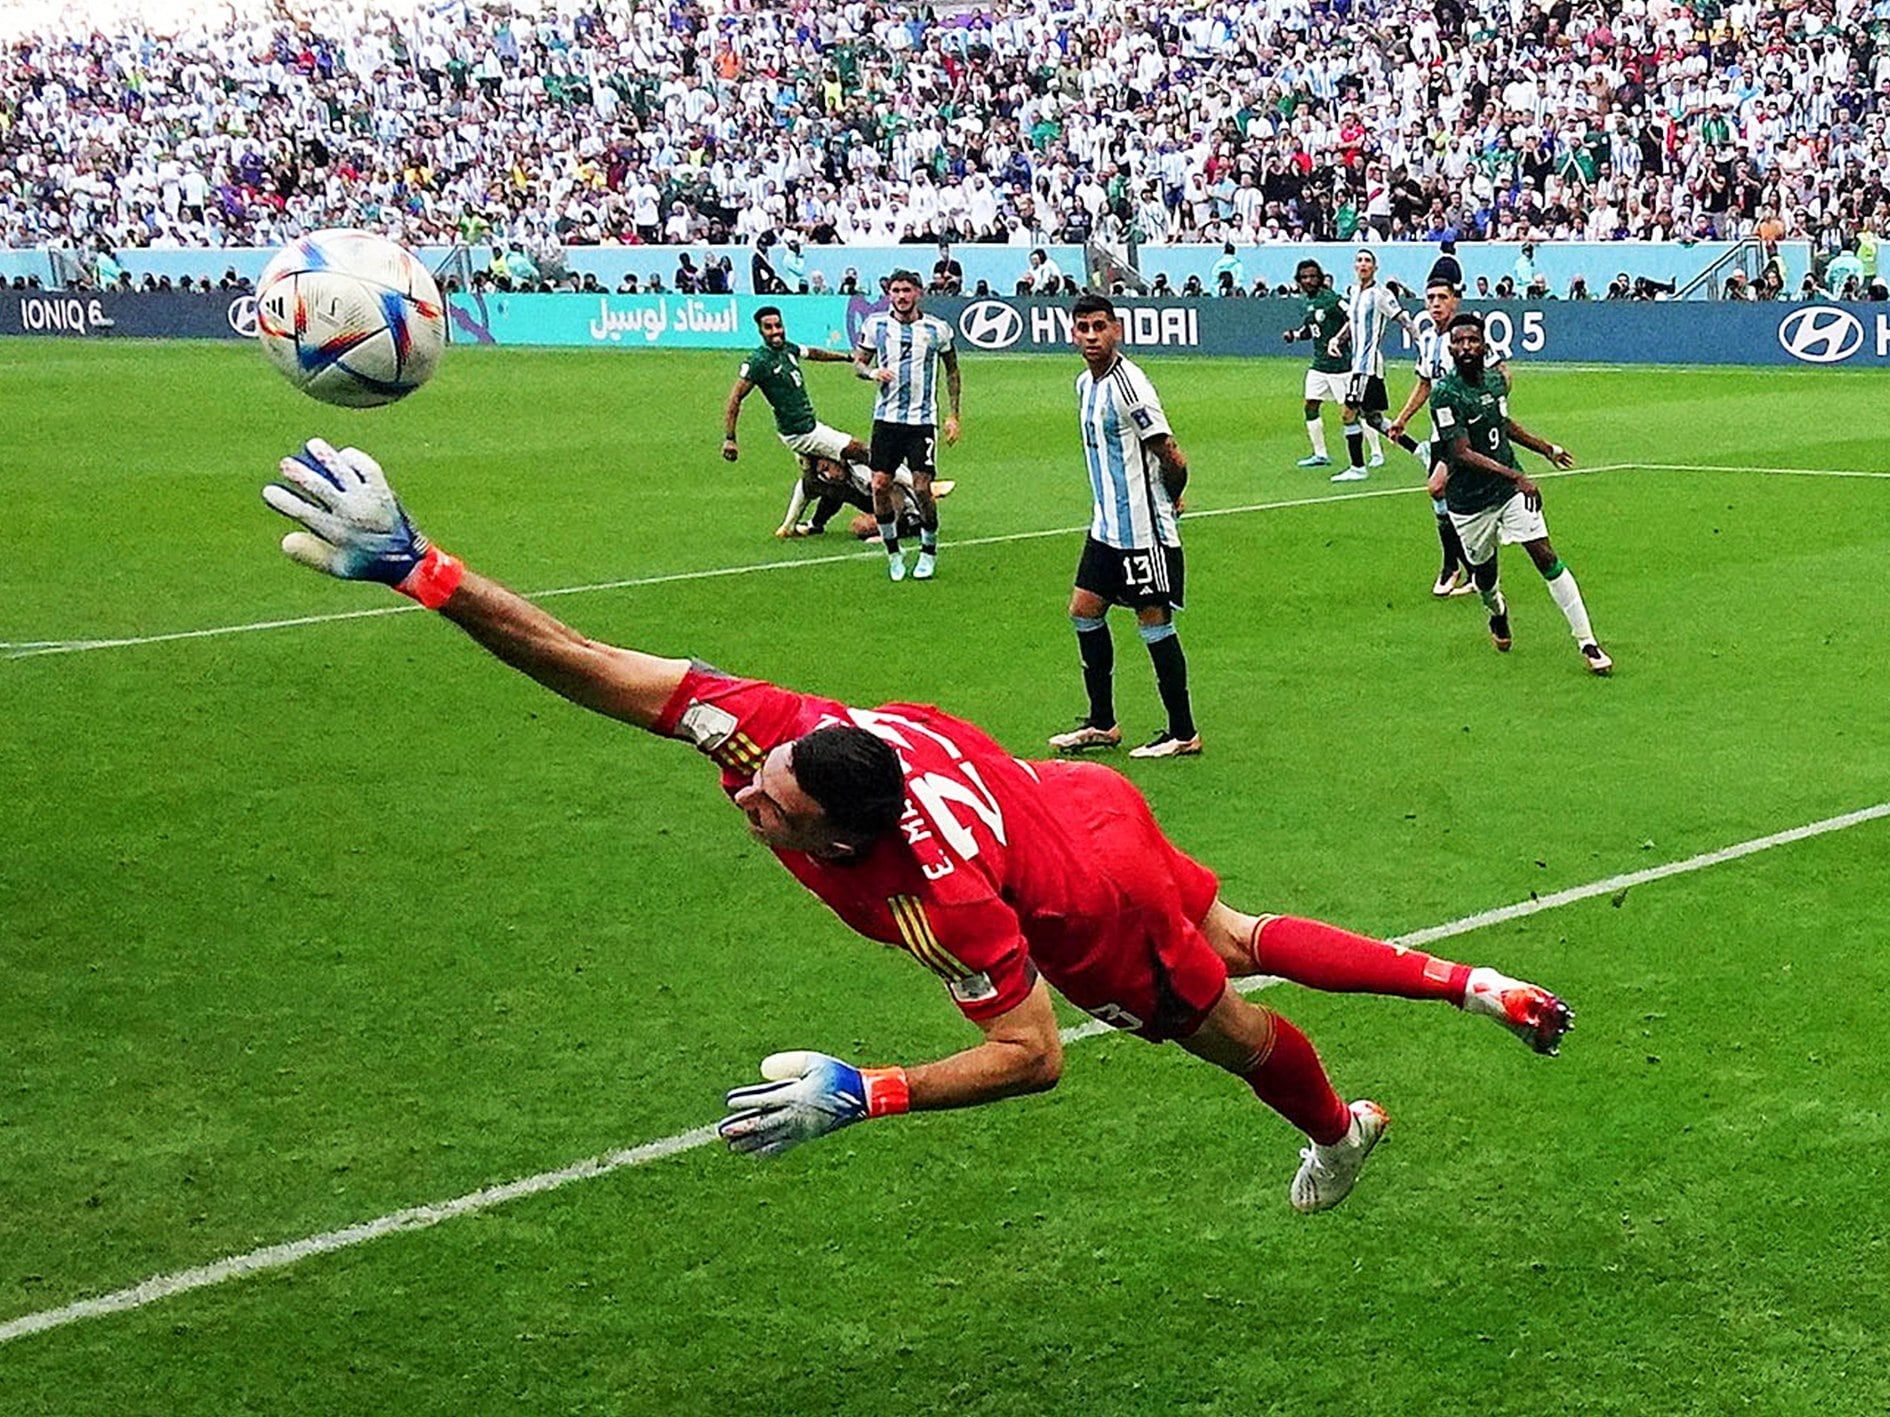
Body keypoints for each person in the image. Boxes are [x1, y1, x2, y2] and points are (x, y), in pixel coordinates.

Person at [258, 437, 1575, 1212]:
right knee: (1232, 927)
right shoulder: (775, 728)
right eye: (759, 778)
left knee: (1224, 1017)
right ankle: (1464, 986)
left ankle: (1344, 1123)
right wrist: (423, 571)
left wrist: (867, 1093)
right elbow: (591, 660)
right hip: (1072, 796)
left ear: (841, 836)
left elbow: (1030, 1050)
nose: (749, 796)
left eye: (773, 805)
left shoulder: (934, 901)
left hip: (1074, 888)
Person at [1049, 294, 1199, 760]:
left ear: (1116, 329)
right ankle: (1102, 723)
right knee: (1083, 611)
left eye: (1100, 327)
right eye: (1083, 328)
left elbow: (1170, 452)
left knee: (1153, 624)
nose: (1091, 336)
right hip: (1106, 526)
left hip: (1142, 529)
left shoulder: (1129, 386)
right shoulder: (1084, 384)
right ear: (1073, 333)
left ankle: (1183, 732)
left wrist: (1171, 497)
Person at [1428, 314, 1612, 674]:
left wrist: (1545, 449)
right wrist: (1517, 474)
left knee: (1545, 555)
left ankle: (1588, 643)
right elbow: (1460, 452)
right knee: (1484, 578)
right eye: (1459, 341)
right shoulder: (1444, 394)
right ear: (1450, 348)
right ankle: (1497, 612)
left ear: (1484, 345)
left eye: (1472, 340)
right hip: (1469, 504)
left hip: (1509, 491)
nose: (1466, 347)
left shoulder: (1496, 382)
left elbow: (1503, 424)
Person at [720, 307, 869, 537]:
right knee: (859, 450)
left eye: (778, 325)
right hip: (801, 432)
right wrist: (730, 438)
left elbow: (815, 353)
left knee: (817, 479)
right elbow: (735, 398)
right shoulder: (758, 361)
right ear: (760, 331)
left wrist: (847, 357)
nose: (775, 331)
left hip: (808, 426)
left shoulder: (788, 348)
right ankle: (910, 484)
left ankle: (793, 526)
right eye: (768, 327)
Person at [854, 271, 962, 581]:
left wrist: (954, 415)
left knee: (921, 488)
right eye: (896, 291)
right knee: (879, 485)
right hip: (886, 420)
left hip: (921, 421)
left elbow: (952, 371)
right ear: (890, 294)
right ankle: (893, 552)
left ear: (919, 293)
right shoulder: (875, 325)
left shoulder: (936, 329)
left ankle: (928, 551)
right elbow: (859, 363)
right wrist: (871, 373)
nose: (901, 296)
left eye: (907, 290)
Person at [1386, 277, 1488, 597]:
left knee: (1439, 490)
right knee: (1448, 500)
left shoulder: (1466, 339)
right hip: (1440, 434)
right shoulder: (1428, 339)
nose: (1435, 303)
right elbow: (1425, 384)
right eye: (1430, 298)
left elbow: (1500, 375)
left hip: (1468, 435)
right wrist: (1402, 419)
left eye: (1442, 297)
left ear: (1455, 300)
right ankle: (1471, 568)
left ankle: (1455, 566)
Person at [1330, 248, 1420, 483]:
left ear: (1375, 267)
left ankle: (1358, 467)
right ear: (1354, 266)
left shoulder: (1380, 294)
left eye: (1367, 261)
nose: (1363, 264)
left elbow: (1402, 318)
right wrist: (1338, 339)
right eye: (1359, 260)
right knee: (1374, 419)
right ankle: (1420, 451)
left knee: (1348, 414)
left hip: (1366, 366)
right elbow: (1353, 322)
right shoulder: (1354, 292)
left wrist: (1422, 343)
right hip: (1359, 365)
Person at [1280, 258, 1347, 469]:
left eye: (1312, 276)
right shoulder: (1304, 302)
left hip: (1340, 366)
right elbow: (1312, 328)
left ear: (1320, 278)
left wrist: (1340, 340)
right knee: (1311, 404)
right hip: (1319, 365)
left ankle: (1375, 453)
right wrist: (1296, 335)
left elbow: (1353, 317)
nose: (1309, 280)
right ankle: (1320, 454)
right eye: (1304, 277)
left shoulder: (1332, 299)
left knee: (1354, 412)